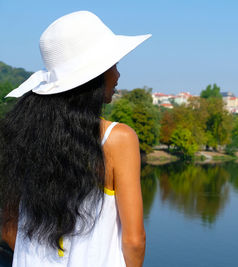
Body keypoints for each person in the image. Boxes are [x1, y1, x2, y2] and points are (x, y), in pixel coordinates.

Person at [0, 11, 151, 267]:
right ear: (93, 77)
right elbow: (134, 241)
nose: (118, 75)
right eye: (113, 65)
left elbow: (7, 227)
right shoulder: (117, 139)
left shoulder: (20, 134)